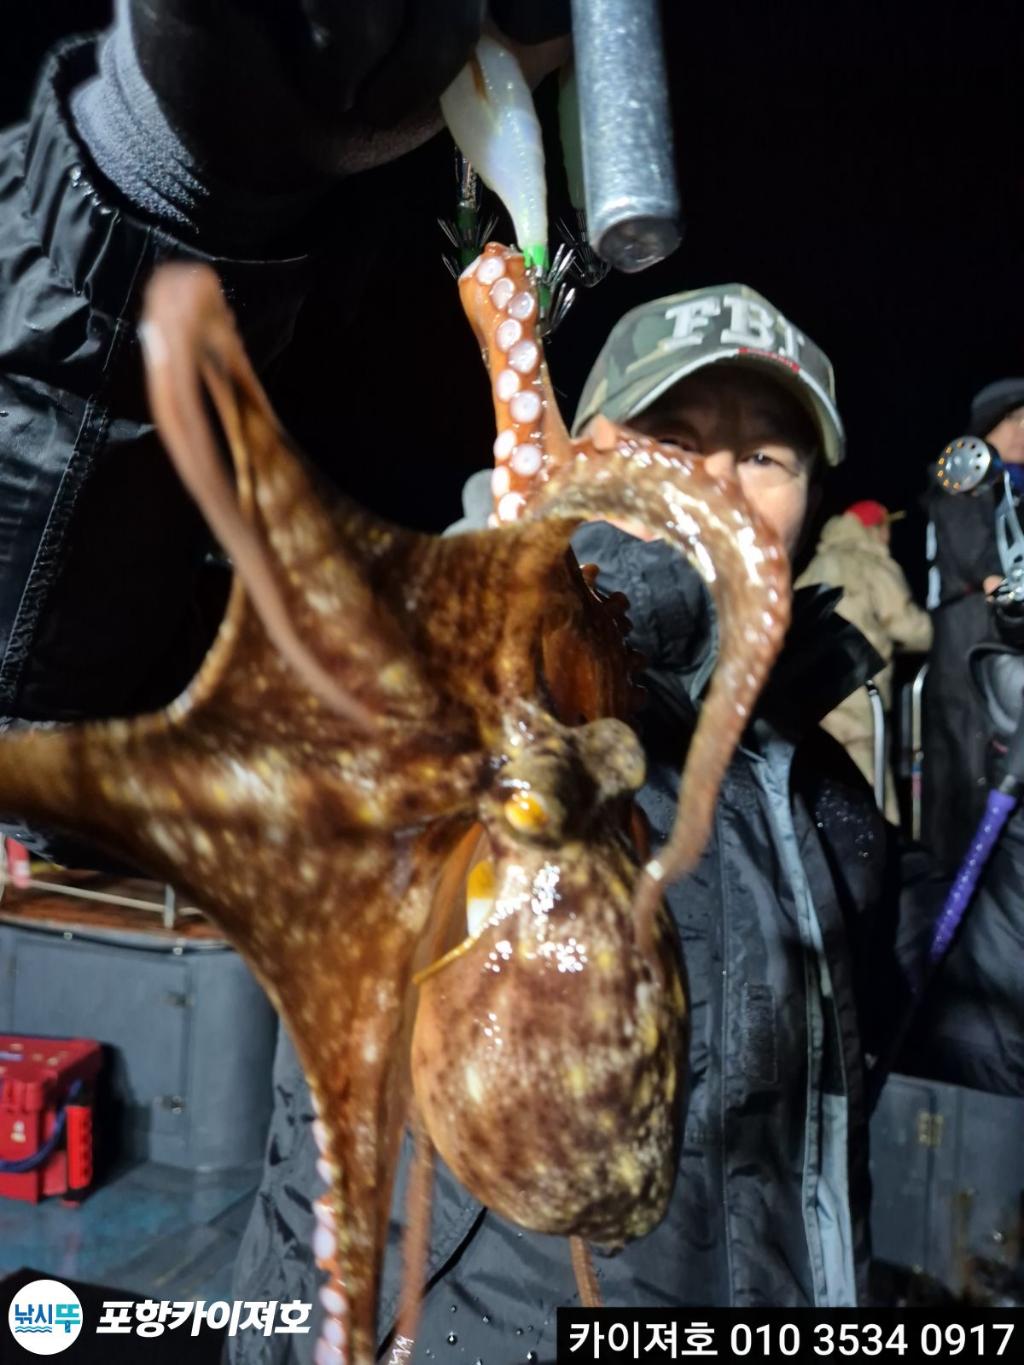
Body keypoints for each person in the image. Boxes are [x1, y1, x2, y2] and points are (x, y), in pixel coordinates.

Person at [1, 15, 1022, 1365]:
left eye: (768, 456)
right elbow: (57, 673)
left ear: (811, 507)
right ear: (590, 450)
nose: (717, 479)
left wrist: (988, 650)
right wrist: (172, 173)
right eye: (674, 432)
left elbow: (965, 1035)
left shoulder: (820, 805)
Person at [923, 378, 1024, 872]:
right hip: (968, 633)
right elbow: (976, 561)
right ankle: (955, 872)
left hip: (1000, 631)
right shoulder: (964, 473)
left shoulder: (1010, 485)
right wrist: (1000, 587)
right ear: (992, 426)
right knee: (966, 761)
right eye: (1017, 421)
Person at [794, 499, 932, 822]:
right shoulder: (871, 563)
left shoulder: (817, 563)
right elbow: (907, 626)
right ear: (875, 528)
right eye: (886, 527)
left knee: (826, 791)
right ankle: (884, 863)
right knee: (873, 793)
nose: (888, 535)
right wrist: (948, 632)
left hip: (814, 702)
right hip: (859, 696)